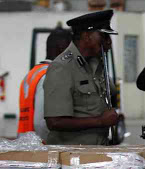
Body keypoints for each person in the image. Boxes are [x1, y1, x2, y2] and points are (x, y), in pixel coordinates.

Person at [43, 10, 119, 145]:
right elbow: (54, 121)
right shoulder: (62, 67)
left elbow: (111, 93)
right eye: (104, 36)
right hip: (72, 157)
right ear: (87, 36)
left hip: (98, 150)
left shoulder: (97, 65)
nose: (108, 43)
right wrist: (100, 121)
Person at [18, 27, 72, 142]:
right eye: (71, 50)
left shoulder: (33, 73)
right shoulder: (50, 75)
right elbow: (40, 122)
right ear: (62, 48)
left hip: (26, 143)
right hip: (40, 147)